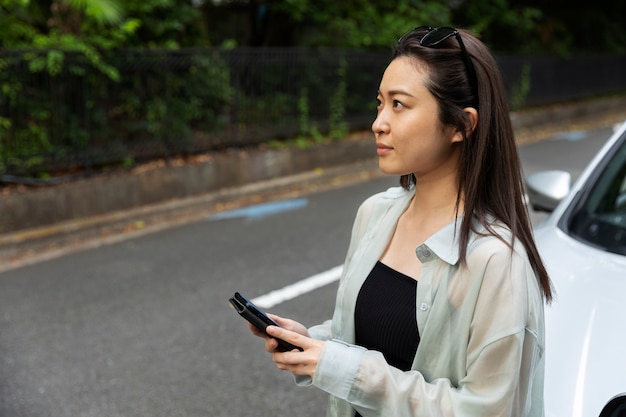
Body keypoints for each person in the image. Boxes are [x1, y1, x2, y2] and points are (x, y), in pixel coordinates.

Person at [248, 25, 554, 417]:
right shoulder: (375, 214)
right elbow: (364, 339)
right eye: (380, 103)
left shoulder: (496, 261)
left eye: (399, 105)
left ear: (462, 125)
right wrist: (313, 343)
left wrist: (348, 370)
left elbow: (486, 409)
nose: (378, 122)